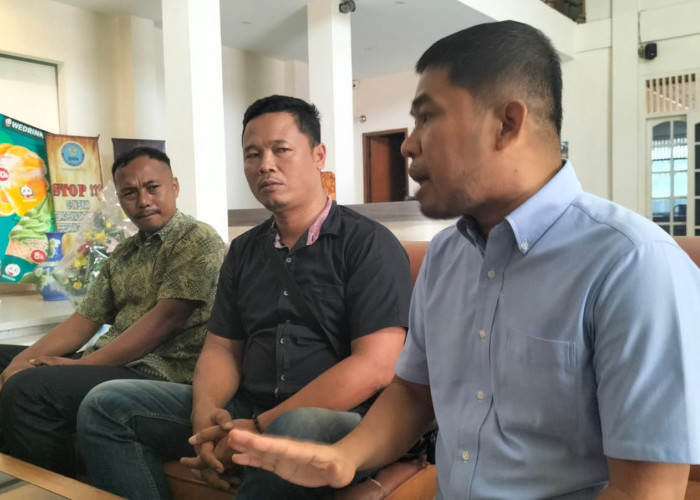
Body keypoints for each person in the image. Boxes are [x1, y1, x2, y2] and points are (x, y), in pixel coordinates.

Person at [226, 21, 700, 499]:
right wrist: (343, 457)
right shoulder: (447, 256)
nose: (408, 143)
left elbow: (644, 494)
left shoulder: (633, 266)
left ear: (507, 123)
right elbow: (415, 393)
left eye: (427, 118)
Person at [77, 95, 413, 499]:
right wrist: (206, 419)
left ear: (318, 155)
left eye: (281, 150)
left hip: (342, 420)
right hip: (247, 409)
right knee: (107, 404)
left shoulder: (368, 244)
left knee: (295, 428)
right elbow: (222, 348)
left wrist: (256, 429)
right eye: (253, 154)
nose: (265, 165)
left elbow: (376, 367)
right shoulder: (244, 251)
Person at [0, 146, 225, 477]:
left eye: (153, 187)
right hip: (114, 362)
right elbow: (84, 321)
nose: (143, 201)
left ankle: (56, 491)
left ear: (174, 187)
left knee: (30, 390)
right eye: (130, 193)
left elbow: (164, 321)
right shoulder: (125, 252)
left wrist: (78, 366)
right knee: (7, 363)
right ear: (120, 199)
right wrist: (21, 361)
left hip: (160, 373)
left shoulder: (197, 239)